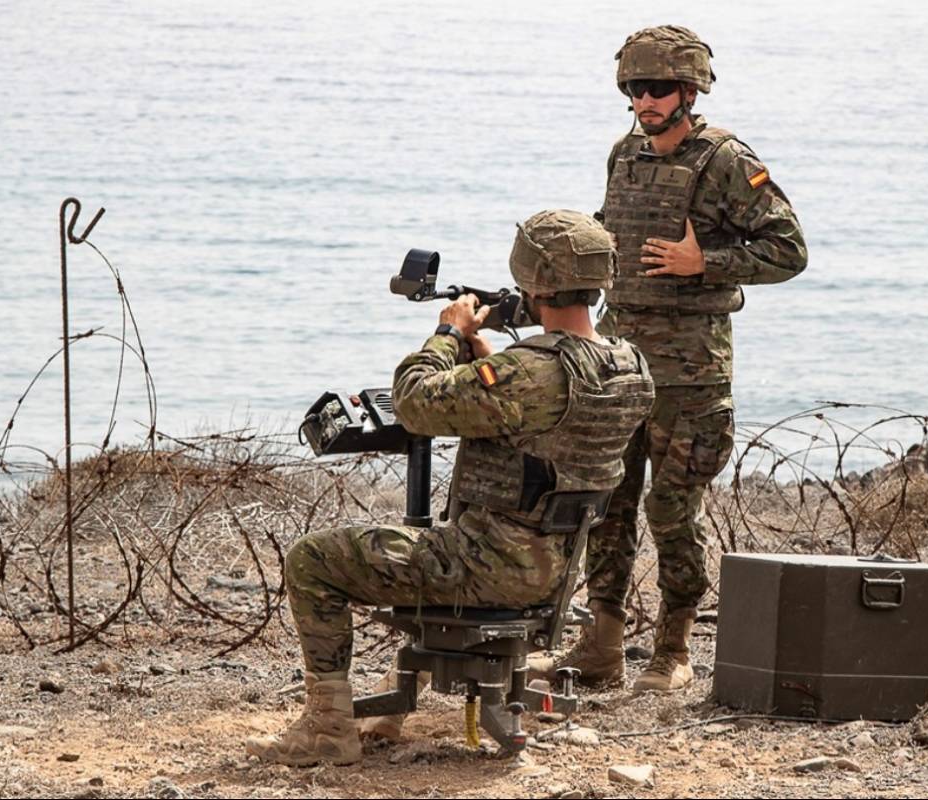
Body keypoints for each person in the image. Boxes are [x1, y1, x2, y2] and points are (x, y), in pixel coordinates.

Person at [245, 210, 655, 766]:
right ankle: (382, 704)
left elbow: (414, 399)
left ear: (534, 282)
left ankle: (327, 729)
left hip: (482, 568)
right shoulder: (630, 368)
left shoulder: (526, 373)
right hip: (555, 574)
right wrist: (492, 365)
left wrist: (448, 334)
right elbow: (550, 421)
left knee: (311, 559)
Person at [530, 25, 808, 693]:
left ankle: (673, 648)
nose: (645, 101)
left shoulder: (727, 162)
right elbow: (607, 238)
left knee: (673, 511)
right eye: (635, 88)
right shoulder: (624, 155)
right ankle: (602, 644)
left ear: (689, 91)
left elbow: (789, 250)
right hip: (618, 365)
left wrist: (703, 261)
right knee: (605, 504)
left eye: (657, 88)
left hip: (691, 375)